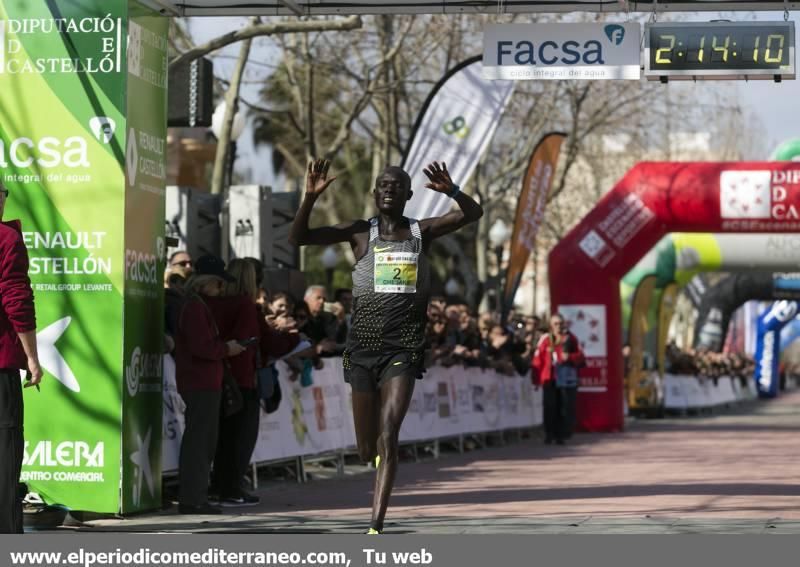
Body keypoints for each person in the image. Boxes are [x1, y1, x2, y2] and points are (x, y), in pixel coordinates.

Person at [289, 158, 483, 534]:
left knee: (389, 433)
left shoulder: (421, 232)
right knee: (367, 449)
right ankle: (376, 461)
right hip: (362, 348)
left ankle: (376, 521)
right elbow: (299, 238)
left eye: (397, 184)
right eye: (383, 184)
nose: (389, 188)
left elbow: (472, 213)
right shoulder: (360, 232)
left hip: (404, 348)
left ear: (409, 195)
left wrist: (455, 191)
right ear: (375, 194)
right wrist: (309, 198)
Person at [207, 259, 300, 507]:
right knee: (240, 437)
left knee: (222, 437)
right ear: (251, 279)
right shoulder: (245, 306)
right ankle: (230, 488)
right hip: (241, 379)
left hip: (216, 376)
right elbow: (258, 341)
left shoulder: (209, 303)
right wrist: (293, 338)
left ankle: (218, 486)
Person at [174, 256, 246, 514]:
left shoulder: (195, 305)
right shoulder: (194, 307)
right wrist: (227, 348)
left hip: (203, 380)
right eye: (218, 284)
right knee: (199, 441)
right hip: (199, 381)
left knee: (203, 441)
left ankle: (195, 496)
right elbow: (201, 346)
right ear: (206, 283)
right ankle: (192, 498)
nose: (221, 289)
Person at [0, 183, 42, 533]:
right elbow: (17, 300)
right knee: (5, 449)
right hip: (0, 365)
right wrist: (32, 357)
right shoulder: (6, 239)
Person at [531, 313, 585, 445]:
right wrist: (536, 379)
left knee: (564, 407)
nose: (558, 327)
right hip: (549, 378)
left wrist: (570, 357)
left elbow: (581, 357)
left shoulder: (570, 338)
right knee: (550, 407)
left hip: (565, 380)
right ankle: (549, 434)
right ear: (550, 326)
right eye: (555, 324)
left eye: (560, 323)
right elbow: (538, 360)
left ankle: (561, 435)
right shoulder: (545, 339)